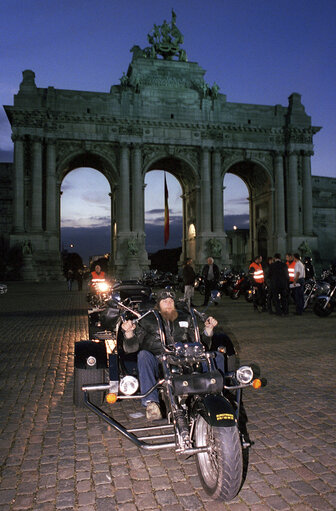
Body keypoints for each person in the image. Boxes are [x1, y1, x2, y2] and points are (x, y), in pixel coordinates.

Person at [121, 289, 218, 420]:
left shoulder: (186, 317)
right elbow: (131, 348)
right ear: (158, 304)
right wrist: (129, 333)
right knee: (143, 355)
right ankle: (151, 404)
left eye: (171, 301)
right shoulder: (146, 319)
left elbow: (200, 344)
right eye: (164, 301)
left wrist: (208, 330)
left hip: (184, 356)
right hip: (158, 358)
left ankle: (217, 395)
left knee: (216, 356)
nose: (168, 303)